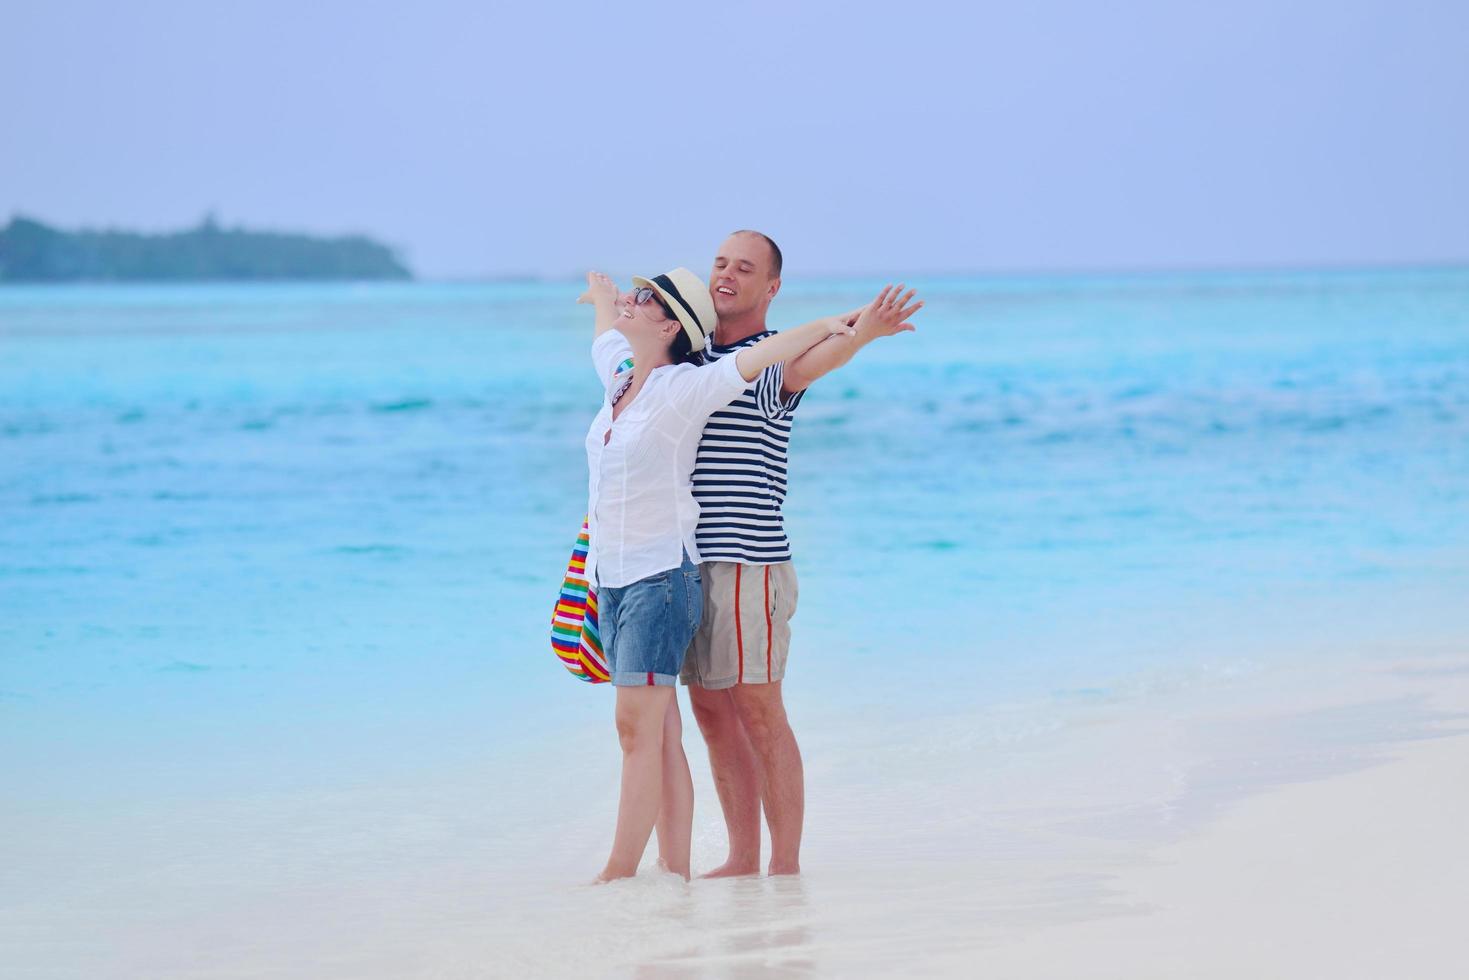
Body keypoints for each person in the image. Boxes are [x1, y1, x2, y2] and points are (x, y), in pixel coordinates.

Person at [577, 266, 861, 883]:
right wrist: (602, 297)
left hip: (659, 578)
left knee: (636, 730)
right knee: (664, 734)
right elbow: (603, 336)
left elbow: (760, 359)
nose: (632, 300)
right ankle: (672, 869)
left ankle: (618, 872)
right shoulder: (621, 376)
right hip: (612, 580)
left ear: (670, 324)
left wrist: (826, 327)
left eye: (644, 297)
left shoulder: (686, 388)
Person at [681, 231, 922, 877]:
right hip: (683, 560)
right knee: (709, 711)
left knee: (758, 706)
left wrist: (864, 333)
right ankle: (740, 857)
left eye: (745, 268)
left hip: (747, 560)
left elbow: (813, 363)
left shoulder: (768, 356)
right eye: (720, 263)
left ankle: (783, 867)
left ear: (771, 287)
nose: (727, 275)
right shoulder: (692, 356)